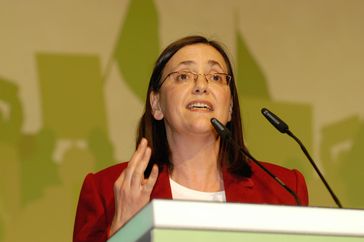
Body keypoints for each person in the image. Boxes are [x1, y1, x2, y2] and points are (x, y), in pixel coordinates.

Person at [73, 35, 309, 242]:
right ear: (156, 104)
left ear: (230, 108)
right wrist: (123, 231)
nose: (201, 86)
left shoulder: (282, 191)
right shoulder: (106, 191)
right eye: (183, 76)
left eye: (216, 77)